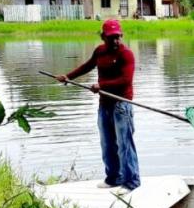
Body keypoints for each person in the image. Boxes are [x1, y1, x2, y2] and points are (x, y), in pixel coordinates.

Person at [56, 19, 141, 194]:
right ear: (103, 37)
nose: (115, 41)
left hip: (121, 105)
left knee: (125, 144)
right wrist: (68, 77)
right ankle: (113, 179)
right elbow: (87, 66)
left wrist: (101, 85)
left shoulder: (126, 55)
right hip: (104, 105)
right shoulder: (100, 52)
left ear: (121, 35)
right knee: (107, 143)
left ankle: (131, 181)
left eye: (117, 37)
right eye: (111, 38)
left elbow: (125, 80)